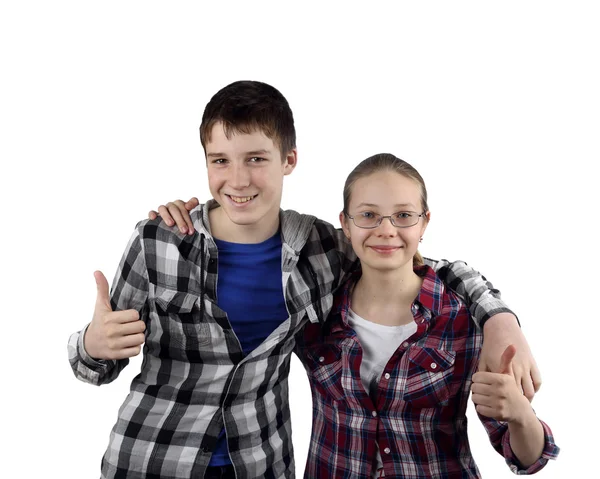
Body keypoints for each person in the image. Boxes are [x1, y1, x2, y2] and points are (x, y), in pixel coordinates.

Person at [69, 80, 539, 479]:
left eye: (256, 159)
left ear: (289, 160)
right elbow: (94, 368)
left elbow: (415, 261)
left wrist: (499, 318)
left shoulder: (320, 247)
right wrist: (92, 343)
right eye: (220, 161)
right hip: (151, 458)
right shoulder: (159, 241)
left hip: (259, 462)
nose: (237, 179)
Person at [293, 153, 559, 478]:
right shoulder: (314, 311)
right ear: (345, 224)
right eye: (368, 215)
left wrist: (520, 416)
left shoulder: (463, 319)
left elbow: (529, 459)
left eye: (403, 215)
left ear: (424, 222)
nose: (386, 230)